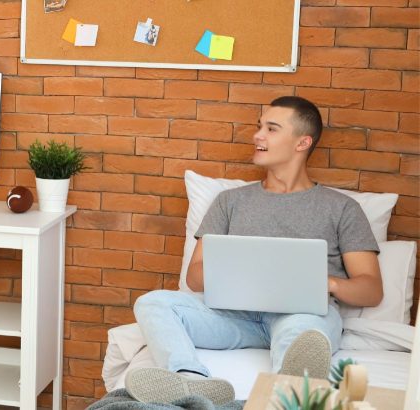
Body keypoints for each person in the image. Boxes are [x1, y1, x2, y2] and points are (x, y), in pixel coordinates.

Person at [125, 96, 383, 405]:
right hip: (232, 317)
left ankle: (289, 388)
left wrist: (323, 282)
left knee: (304, 332)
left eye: (271, 129)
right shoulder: (229, 201)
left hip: (300, 314)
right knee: (153, 303)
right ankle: (190, 382)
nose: (257, 136)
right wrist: (239, 270)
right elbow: (195, 278)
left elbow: (370, 289)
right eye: (259, 127)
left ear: (302, 142)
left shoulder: (341, 208)